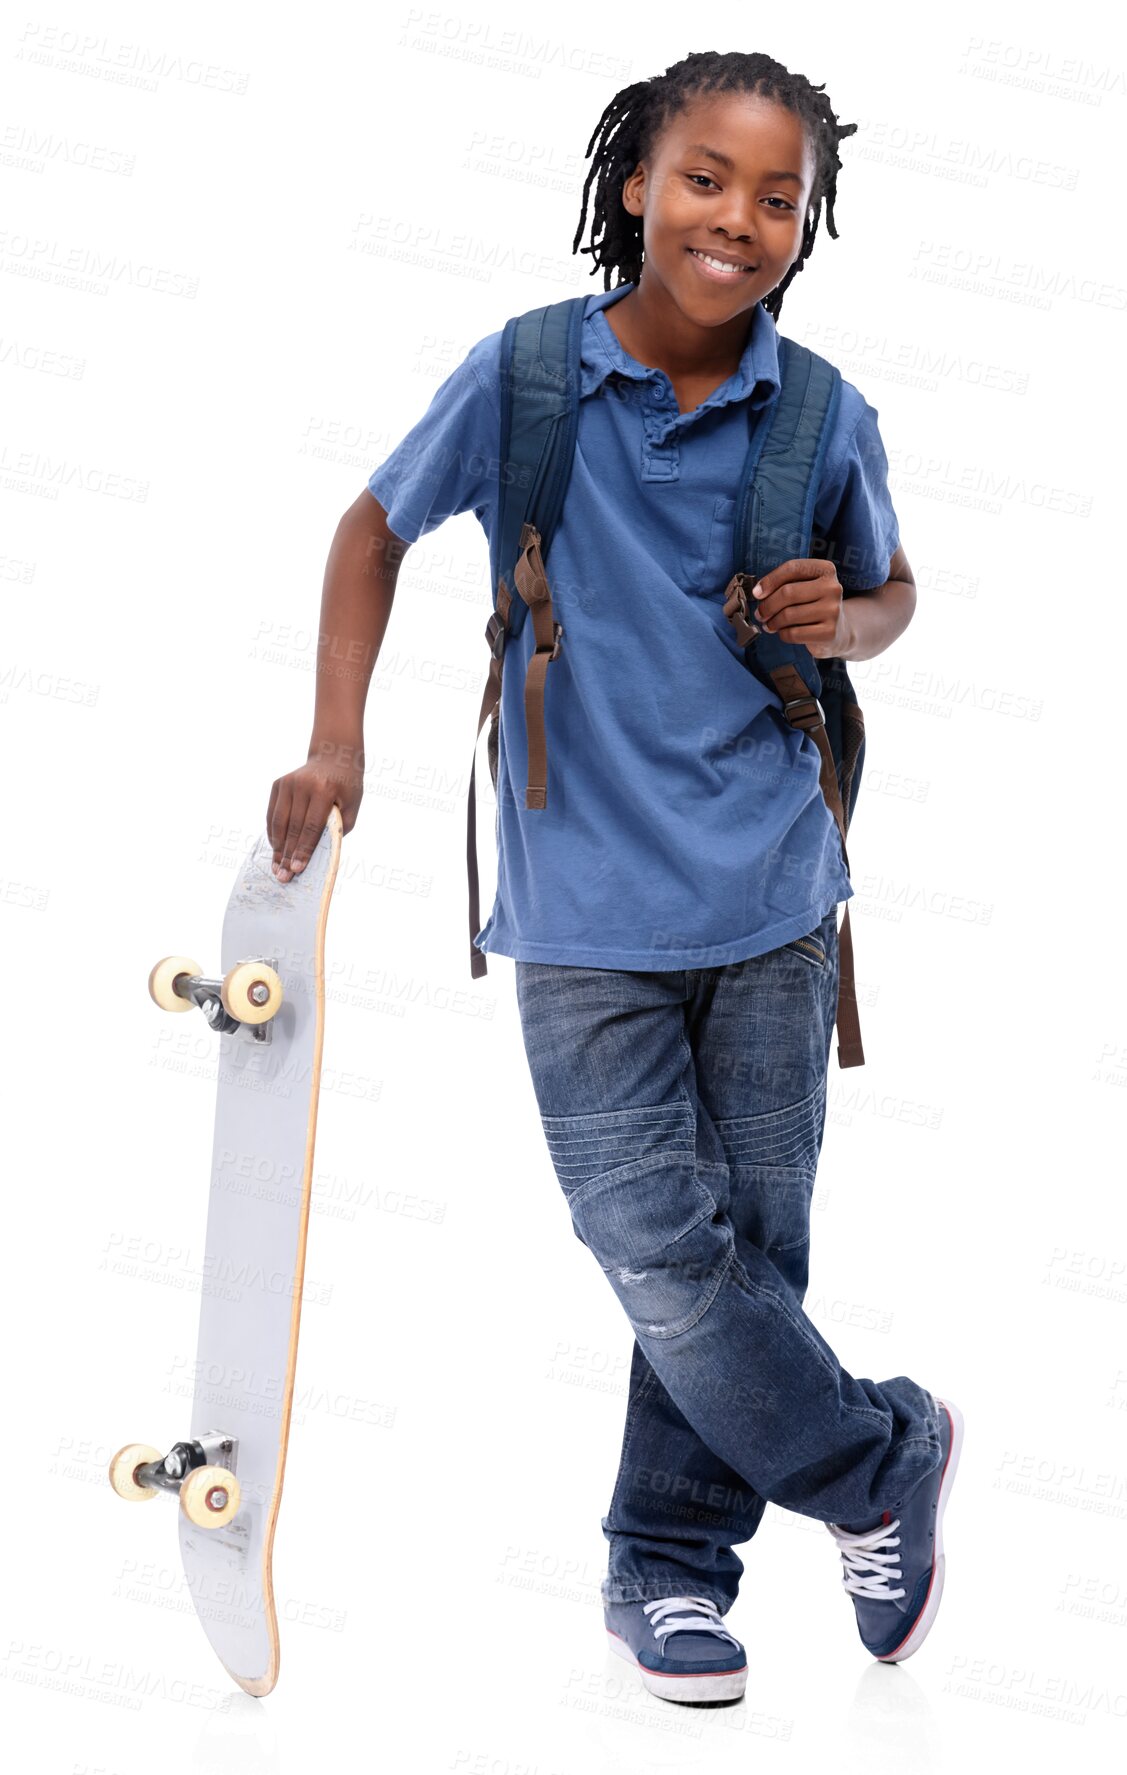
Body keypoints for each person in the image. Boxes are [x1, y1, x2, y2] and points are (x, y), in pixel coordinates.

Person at [266, 49, 964, 1708]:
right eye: (706, 179)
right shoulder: (526, 379)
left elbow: (895, 595)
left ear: (810, 222)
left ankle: (668, 1573)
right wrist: (335, 739)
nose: (739, 219)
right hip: (580, 902)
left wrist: (840, 619)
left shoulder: (822, 412)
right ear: (636, 185)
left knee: (746, 1253)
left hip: (778, 902)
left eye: (778, 196)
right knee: (654, 1241)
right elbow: (372, 526)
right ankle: (882, 1456)